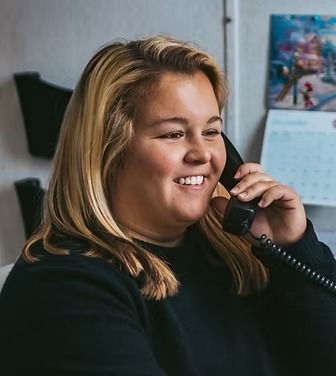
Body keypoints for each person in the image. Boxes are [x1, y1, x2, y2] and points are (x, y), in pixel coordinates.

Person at [0, 36, 335, 376]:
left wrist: (294, 249)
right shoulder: (64, 288)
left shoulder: (235, 258)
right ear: (107, 152)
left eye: (211, 131)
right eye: (174, 134)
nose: (203, 154)